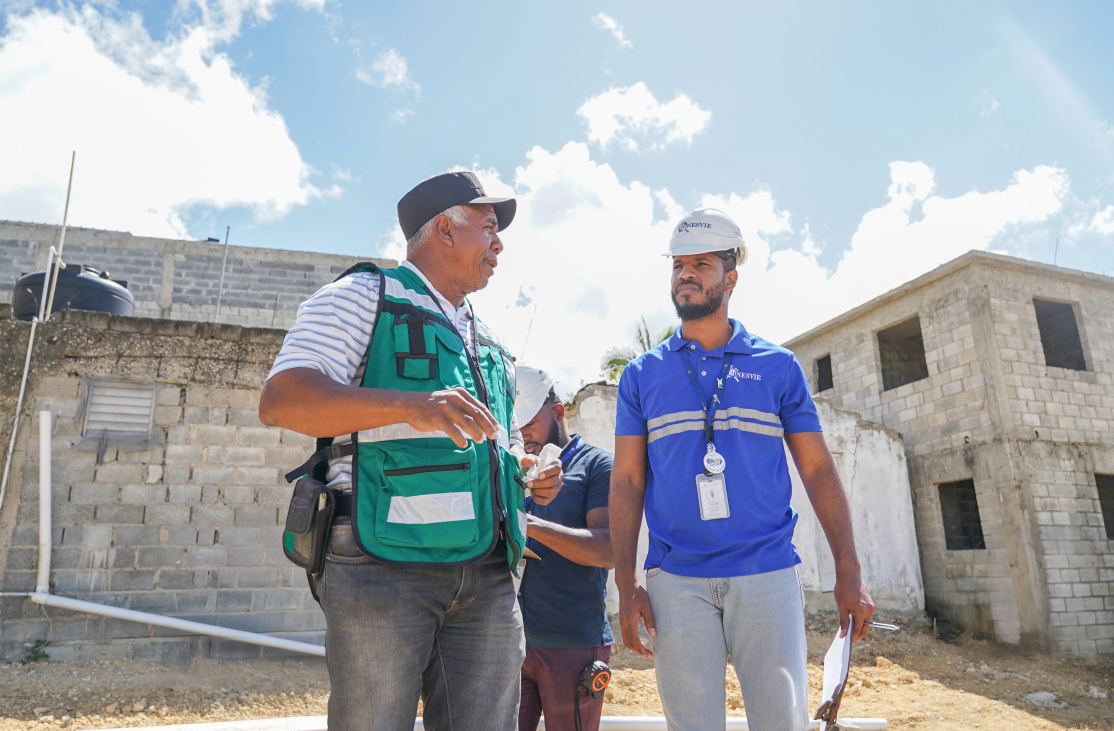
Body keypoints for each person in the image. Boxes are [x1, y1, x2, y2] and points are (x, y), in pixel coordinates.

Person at [259, 171, 563, 731]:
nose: (500, 244)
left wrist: (526, 468)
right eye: (488, 227)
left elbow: (502, 440)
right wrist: (409, 404)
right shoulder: (364, 295)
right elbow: (282, 399)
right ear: (444, 229)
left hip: (488, 571)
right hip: (382, 565)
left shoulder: (488, 339)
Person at [608, 208, 875, 731]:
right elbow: (627, 480)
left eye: (701, 264)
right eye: (679, 264)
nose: (685, 273)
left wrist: (850, 569)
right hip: (676, 582)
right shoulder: (642, 374)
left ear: (730, 277)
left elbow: (818, 469)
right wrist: (626, 584)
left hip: (768, 573)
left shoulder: (777, 366)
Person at [512, 365, 616, 731]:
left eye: (529, 423)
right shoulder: (512, 466)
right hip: (513, 642)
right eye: (515, 427)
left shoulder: (597, 465)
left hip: (573, 645)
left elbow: (608, 549)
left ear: (557, 412)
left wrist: (532, 527)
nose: (523, 435)